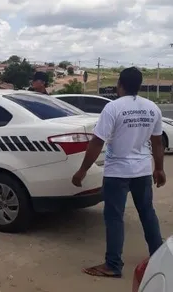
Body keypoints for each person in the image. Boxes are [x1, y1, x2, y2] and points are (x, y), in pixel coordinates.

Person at [71, 67, 166, 278]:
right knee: (147, 213)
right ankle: (160, 258)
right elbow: (157, 143)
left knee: (114, 217)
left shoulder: (113, 108)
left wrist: (82, 171)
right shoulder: (152, 108)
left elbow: (97, 142)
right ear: (140, 86)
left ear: (119, 84)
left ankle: (113, 264)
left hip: (117, 172)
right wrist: (159, 168)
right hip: (141, 170)